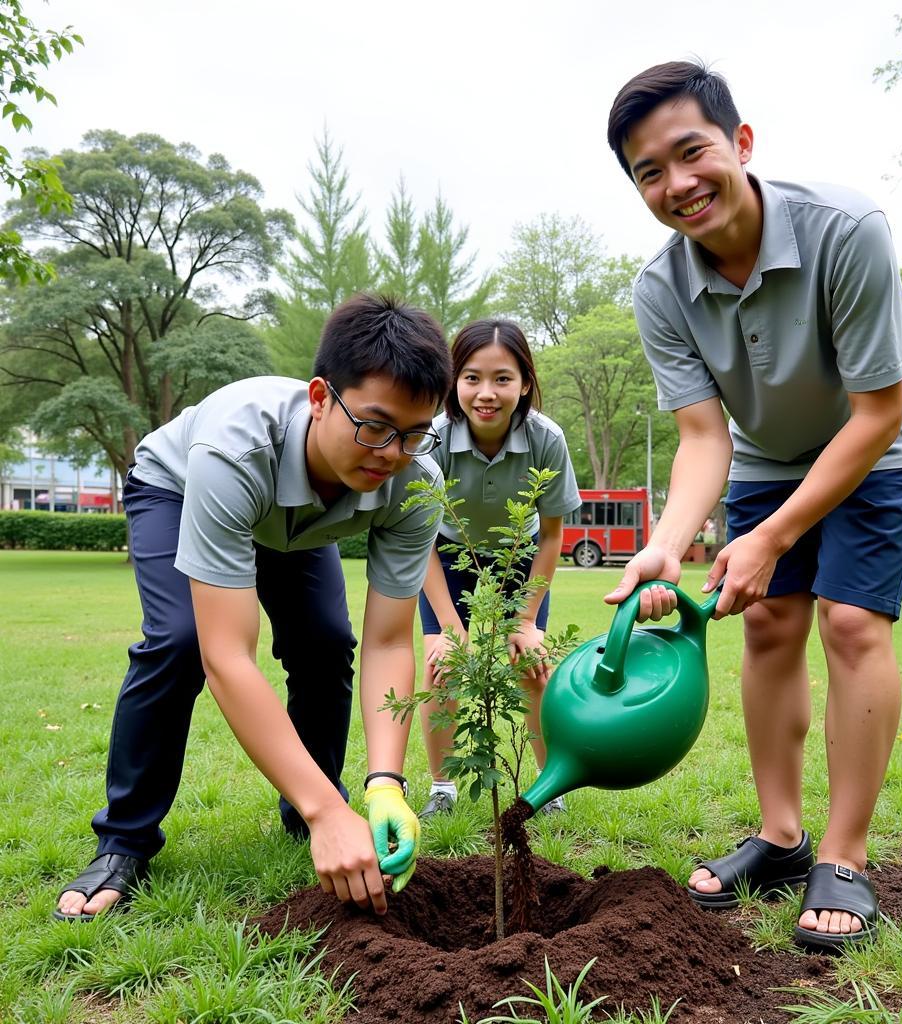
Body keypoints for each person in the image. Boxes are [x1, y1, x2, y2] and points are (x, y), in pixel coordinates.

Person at [604, 61, 902, 950]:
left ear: (741, 144)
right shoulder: (659, 290)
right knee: (767, 624)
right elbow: (703, 438)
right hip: (765, 444)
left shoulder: (847, 230)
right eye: (648, 172)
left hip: (883, 432)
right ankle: (783, 836)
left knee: (852, 625)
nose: (675, 185)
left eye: (691, 153)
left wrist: (776, 534)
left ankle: (844, 854)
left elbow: (876, 412)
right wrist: (666, 545)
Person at [54, 294, 453, 922]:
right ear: (321, 397)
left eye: (413, 433)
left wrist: (385, 784)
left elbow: (388, 642)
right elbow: (227, 658)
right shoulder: (233, 447)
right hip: (181, 488)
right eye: (374, 426)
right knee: (181, 641)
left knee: (325, 641)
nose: (390, 453)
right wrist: (332, 814)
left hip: (297, 525)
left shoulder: (415, 480)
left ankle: (313, 810)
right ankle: (124, 841)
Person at [416, 319, 581, 818]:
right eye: (471, 377)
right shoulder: (432, 439)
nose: (486, 393)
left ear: (525, 382)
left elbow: (552, 534)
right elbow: (419, 537)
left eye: (502, 378)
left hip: (520, 555)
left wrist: (527, 621)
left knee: (532, 665)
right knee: (441, 669)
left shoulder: (546, 438)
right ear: (452, 381)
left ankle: (547, 789)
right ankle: (442, 791)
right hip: (446, 553)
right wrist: (448, 628)